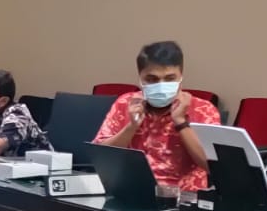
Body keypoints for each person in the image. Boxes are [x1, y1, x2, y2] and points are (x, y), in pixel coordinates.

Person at [94, 40, 220, 191]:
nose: (161, 84)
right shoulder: (126, 103)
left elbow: (213, 166)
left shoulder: (203, 109)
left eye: (170, 78)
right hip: (132, 193)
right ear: (140, 78)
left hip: (184, 199)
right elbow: (102, 158)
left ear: (181, 77)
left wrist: (181, 123)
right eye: (152, 79)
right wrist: (131, 127)